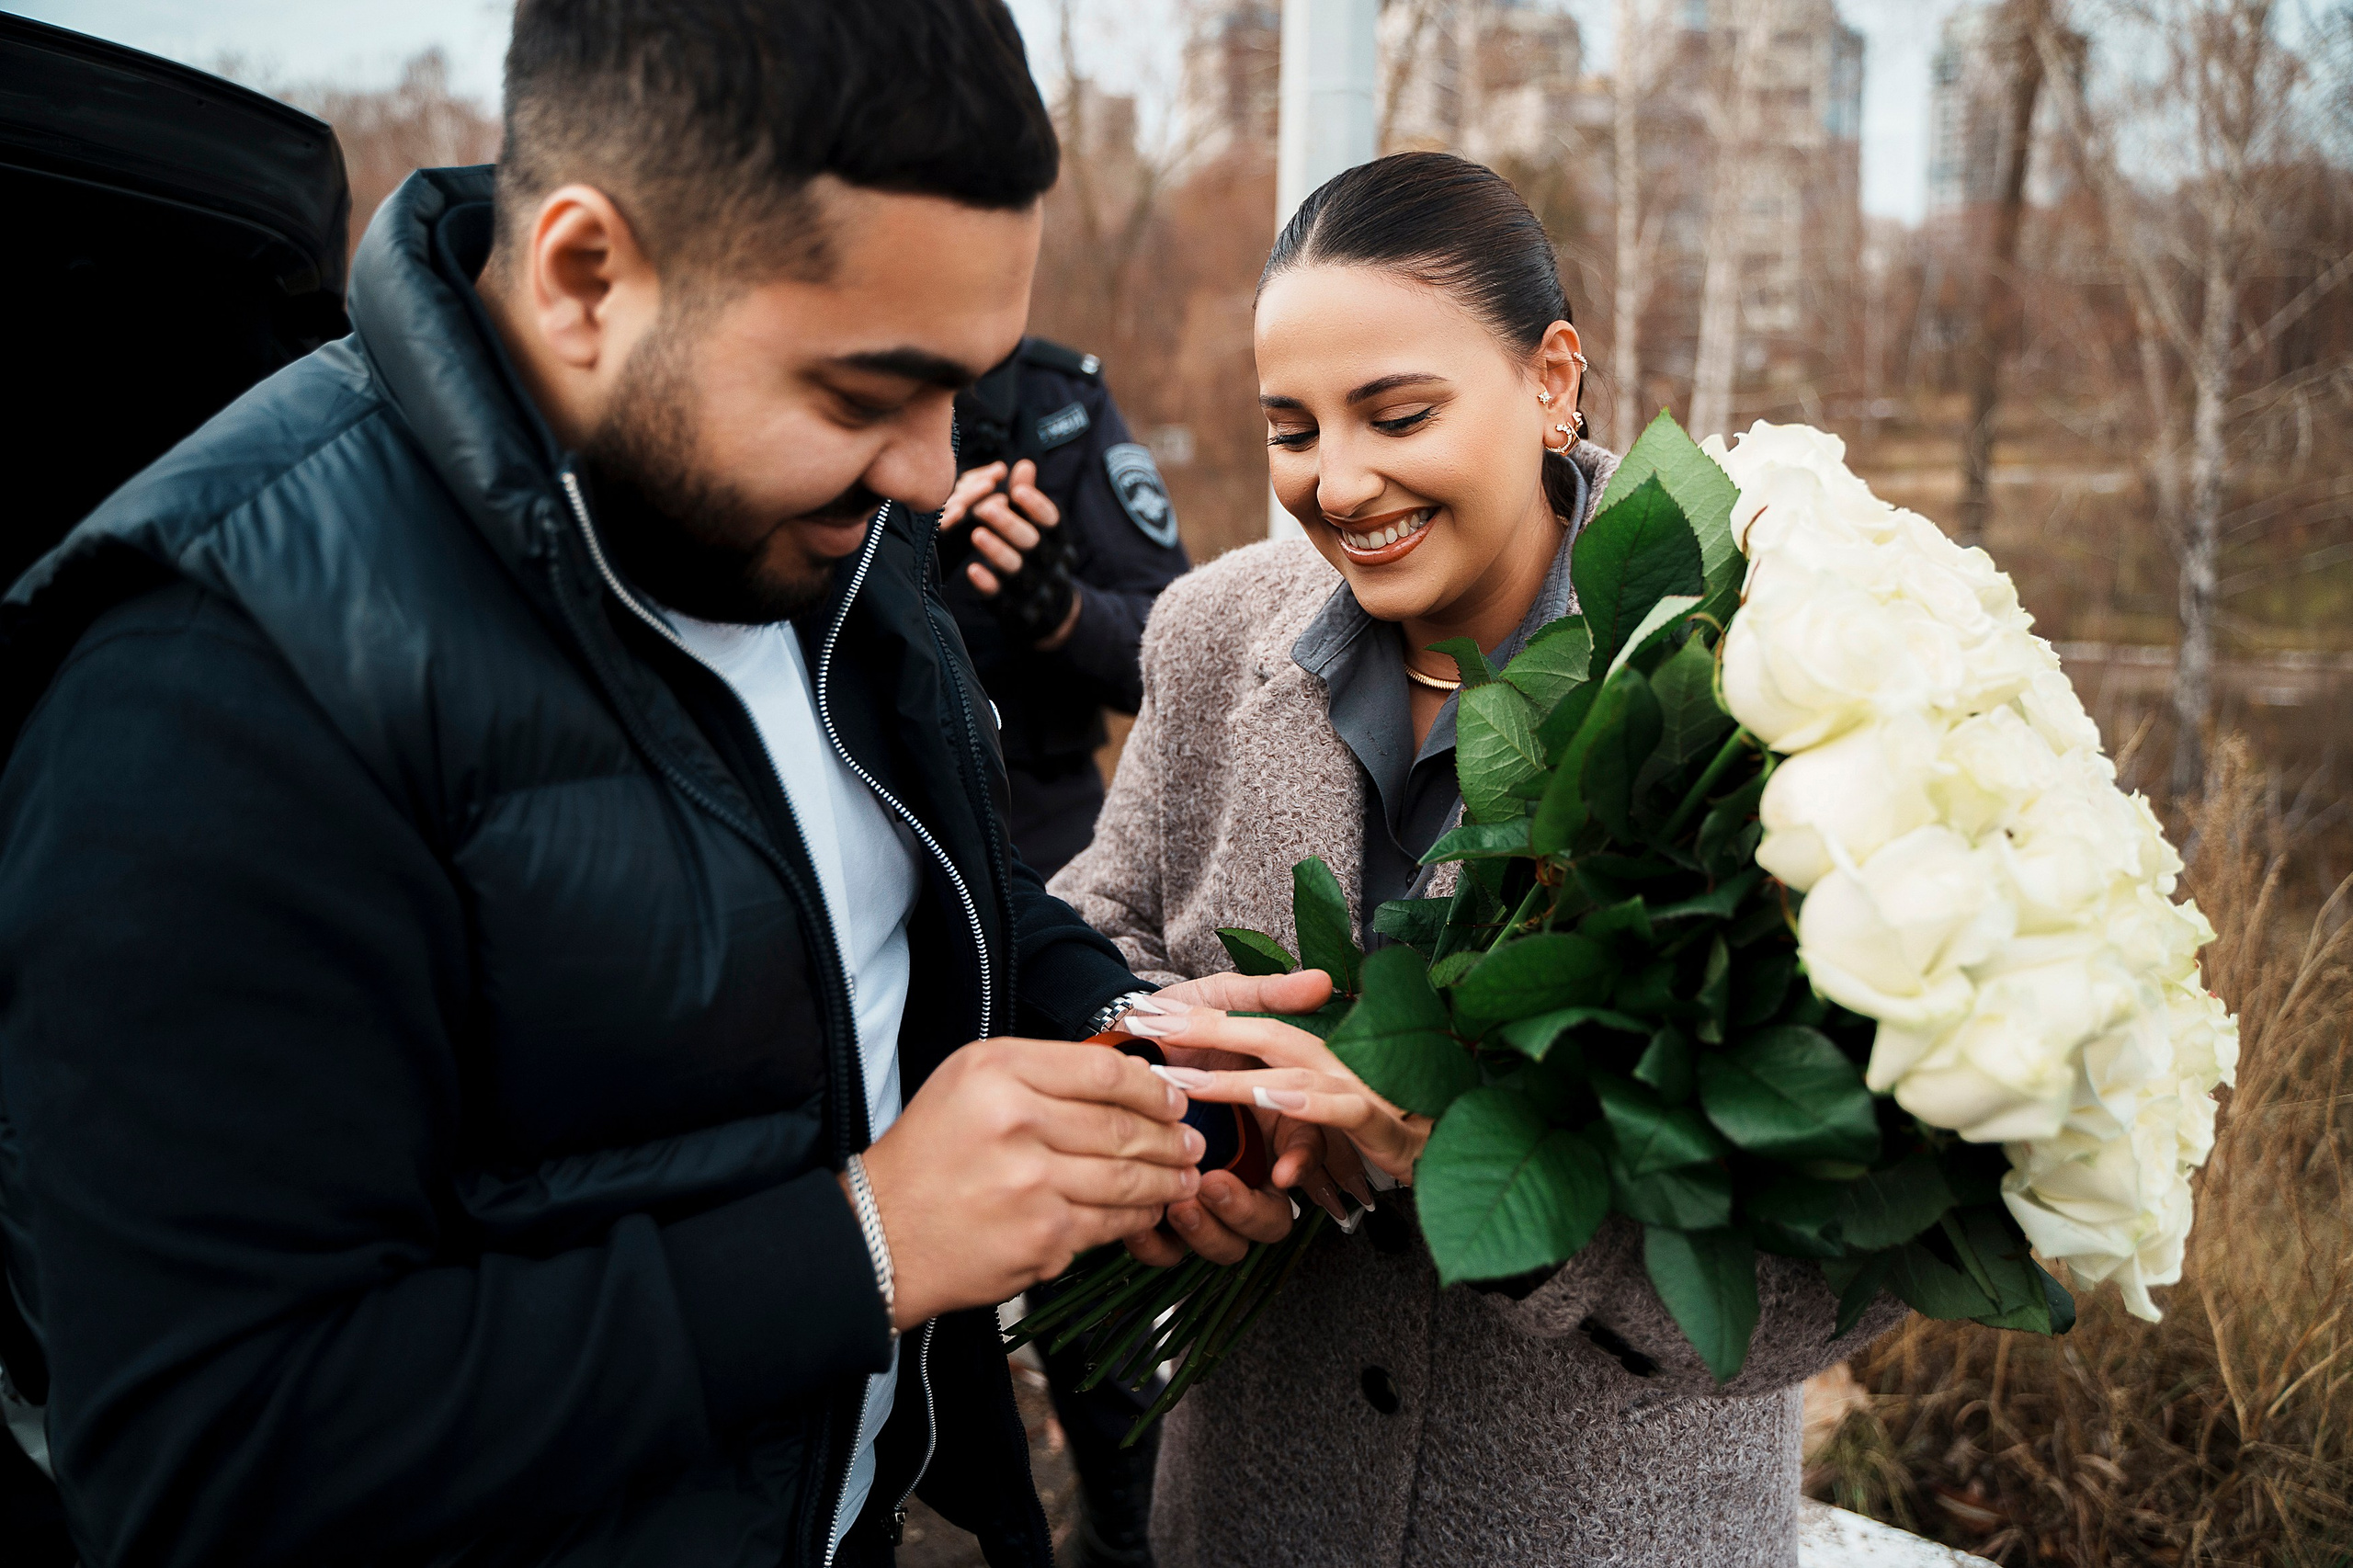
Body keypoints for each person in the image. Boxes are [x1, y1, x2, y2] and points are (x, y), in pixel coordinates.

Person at [0, 3, 1321, 1564]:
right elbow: (212, 1457)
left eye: (961, 384)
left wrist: (1124, 1047)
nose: (924, 469)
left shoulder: (820, 536)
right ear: (585, 277)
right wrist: (869, 1242)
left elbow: (922, 901)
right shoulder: (220, 686)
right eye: (863, 394)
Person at [1049, 153, 1909, 1568]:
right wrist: (1194, 1105)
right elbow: (1102, 938)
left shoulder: (1768, 679)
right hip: (1258, 1518)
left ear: (1553, 376)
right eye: (1290, 427)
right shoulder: (1209, 636)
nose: (1337, 481)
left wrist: (1444, 1146)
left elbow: (1845, 1258)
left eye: (1398, 413)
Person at [932, 342, 1188, 1567]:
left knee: (1096, 1254)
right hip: (893, 843)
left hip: (1044, 838)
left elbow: (1169, 639)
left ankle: (1117, 1535)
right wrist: (903, 577)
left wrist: (1056, 609)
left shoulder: (1064, 409)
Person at [938, 339, 1189, 879]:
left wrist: (1063, 613)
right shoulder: (831, 378)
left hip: (1046, 819)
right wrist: (907, 561)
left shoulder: (1060, 398)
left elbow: (1179, 645)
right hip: (872, 802)